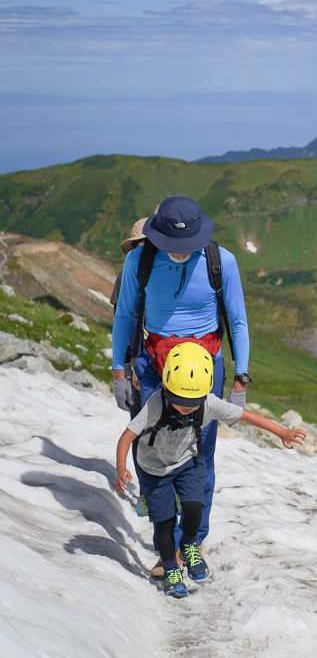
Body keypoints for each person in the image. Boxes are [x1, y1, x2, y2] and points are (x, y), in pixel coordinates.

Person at [111, 196, 250, 563]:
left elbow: (238, 321)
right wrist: (119, 371)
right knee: (153, 450)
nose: (179, 253)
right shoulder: (137, 260)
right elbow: (124, 316)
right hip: (155, 364)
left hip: (206, 368)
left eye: (186, 246)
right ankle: (167, 549)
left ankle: (193, 540)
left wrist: (240, 380)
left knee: (198, 455)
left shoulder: (222, 261)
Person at [115, 342, 306, 597]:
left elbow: (246, 416)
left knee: (195, 507)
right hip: (154, 470)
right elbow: (127, 436)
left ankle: (189, 546)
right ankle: (171, 569)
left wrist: (282, 431)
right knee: (164, 523)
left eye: (192, 403)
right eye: (179, 401)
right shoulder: (155, 404)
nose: (186, 407)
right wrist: (121, 468)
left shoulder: (208, 402)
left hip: (188, 463)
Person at [110, 217, 148, 515]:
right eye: (137, 246)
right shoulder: (127, 275)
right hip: (140, 364)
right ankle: (149, 491)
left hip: (155, 362)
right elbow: (121, 324)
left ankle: (155, 491)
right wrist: (121, 370)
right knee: (141, 427)